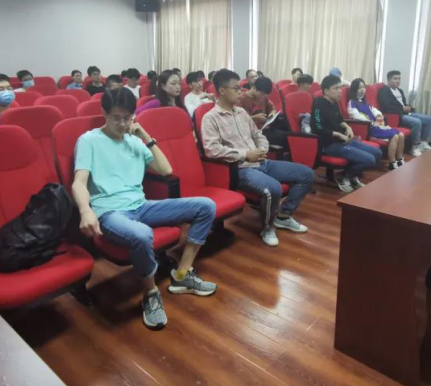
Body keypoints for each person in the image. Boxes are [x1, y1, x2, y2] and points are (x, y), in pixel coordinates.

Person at [72, 88, 217, 330]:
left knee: (206, 206)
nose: (122, 124)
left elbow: (166, 170)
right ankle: (150, 293)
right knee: (141, 234)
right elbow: (79, 182)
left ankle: (182, 274)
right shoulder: (89, 141)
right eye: (116, 118)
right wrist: (85, 210)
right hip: (110, 212)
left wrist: (144, 135)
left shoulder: (134, 141)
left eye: (127, 118)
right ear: (104, 114)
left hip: (142, 206)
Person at [203, 70, 313, 247]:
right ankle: (268, 228)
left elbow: (258, 134)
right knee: (273, 188)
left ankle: (283, 216)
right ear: (222, 90)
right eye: (236, 88)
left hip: (261, 161)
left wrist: (262, 148)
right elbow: (212, 150)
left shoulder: (241, 112)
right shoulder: (210, 118)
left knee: (306, 174)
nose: (240, 91)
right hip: (241, 169)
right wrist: (245, 154)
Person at [312, 75, 381, 192]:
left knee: (377, 153)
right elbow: (317, 129)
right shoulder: (318, 104)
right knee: (370, 160)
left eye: (340, 88)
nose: (340, 91)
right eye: (336, 88)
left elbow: (340, 120)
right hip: (328, 144)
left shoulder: (334, 102)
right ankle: (344, 176)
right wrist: (338, 134)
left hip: (342, 140)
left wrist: (347, 127)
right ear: (326, 91)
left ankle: (352, 176)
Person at [347, 79, 405, 170]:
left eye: (363, 87)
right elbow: (355, 116)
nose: (362, 90)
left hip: (377, 126)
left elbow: (374, 110)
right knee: (395, 136)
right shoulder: (352, 102)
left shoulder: (365, 102)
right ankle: (392, 162)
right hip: (369, 129)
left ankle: (400, 159)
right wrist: (372, 122)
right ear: (354, 89)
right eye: (359, 88)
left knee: (401, 135)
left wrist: (378, 115)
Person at [378, 71, 431, 156]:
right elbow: (386, 106)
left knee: (429, 119)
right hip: (397, 116)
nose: (398, 81)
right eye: (395, 79)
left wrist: (409, 107)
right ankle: (414, 147)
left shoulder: (400, 90)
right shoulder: (384, 91)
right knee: (417, 122)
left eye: (399, 79)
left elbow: (403, 104)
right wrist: (402, 109)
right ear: (389, 80)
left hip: (405, 113)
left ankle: (423, 143)